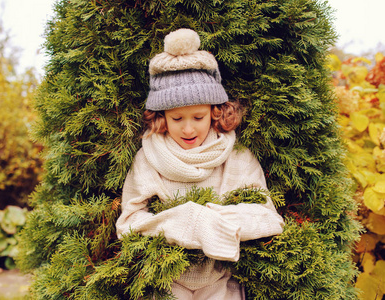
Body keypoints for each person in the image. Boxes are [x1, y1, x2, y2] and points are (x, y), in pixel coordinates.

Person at [116, 28, 284, 300]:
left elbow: (269, 218)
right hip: (165, 282)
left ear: (215, 112)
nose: (188, 129)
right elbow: (128, 222)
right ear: (162, 118)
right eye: (177, 118)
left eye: (198, 117)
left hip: (222, 281)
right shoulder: (149, 157)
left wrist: (216, 222)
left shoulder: (237, 155)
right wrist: (185, 222)